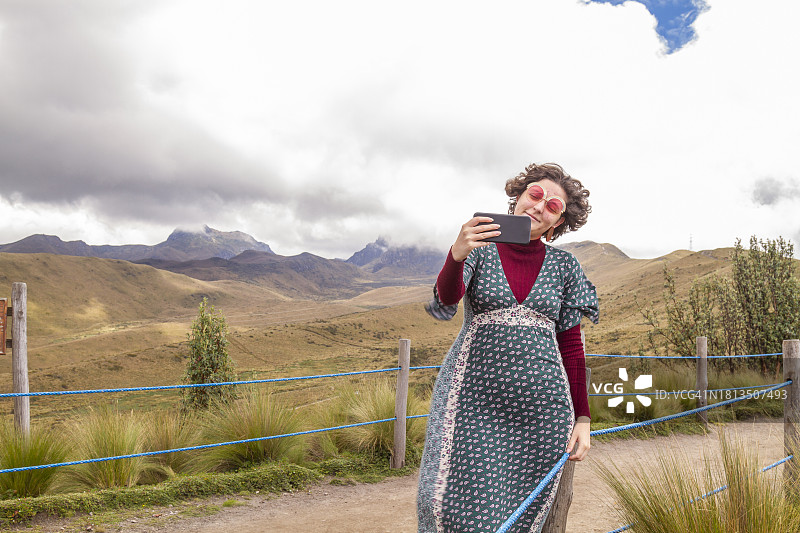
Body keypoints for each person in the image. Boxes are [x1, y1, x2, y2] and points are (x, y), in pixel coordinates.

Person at [417, 163, 598, 533]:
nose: (539, 206)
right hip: (471, 403)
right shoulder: (480, 248)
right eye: (535, 194)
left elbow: (572, 347)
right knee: (454, 508)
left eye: (553, 206)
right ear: (517, 197)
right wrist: (457, 254)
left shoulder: (565, 267)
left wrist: (583, 417)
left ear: (558, 223)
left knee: (517, 515)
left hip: (542, 414)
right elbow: (447, 302)